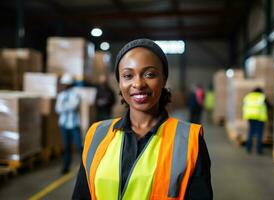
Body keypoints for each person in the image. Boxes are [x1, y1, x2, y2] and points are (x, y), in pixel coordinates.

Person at [72, 39, 213, 200]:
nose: (138, 84)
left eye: (150, 74)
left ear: (164, 79)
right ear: (119, 82)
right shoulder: (97, 134)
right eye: (128, 75)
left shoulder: (189, 140)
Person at [55, 74, 82, 174]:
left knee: (80, 147)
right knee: (67, 147)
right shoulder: (61, 95)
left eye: (66, 83)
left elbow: (73, 106)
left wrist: (64, 107)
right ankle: (66, 166)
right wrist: (66, 106)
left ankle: (85, 167)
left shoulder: (76, 94)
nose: (64, 85)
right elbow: (57, 109)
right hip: (64, 125)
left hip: (74, 124)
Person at [243, 87, 268, 155]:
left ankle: (248, 148)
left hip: (250, 117)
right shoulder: (262, 97)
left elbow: (244, 105)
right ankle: (259, 150)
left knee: (251, 132)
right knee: (259, 134)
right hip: (259, 117)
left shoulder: (248, 96)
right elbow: (268, 105)